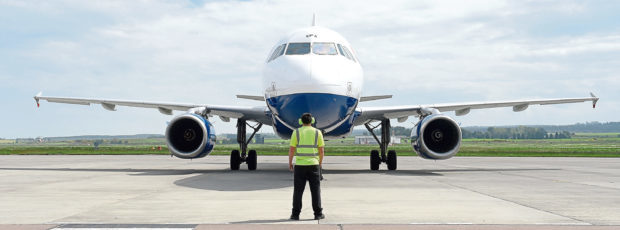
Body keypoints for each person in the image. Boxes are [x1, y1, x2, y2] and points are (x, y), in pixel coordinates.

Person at [289, 113, 325, 220]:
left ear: (301, 121)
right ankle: (318, 214)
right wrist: (319, 163)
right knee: (316, 191)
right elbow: (321, 150)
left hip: (300, 166)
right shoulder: (318, 132)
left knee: (298, 191)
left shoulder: (296, 132)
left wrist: (290, 162)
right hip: (314, 165)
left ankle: (295, 214)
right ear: (312, 121)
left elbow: (292, 149)